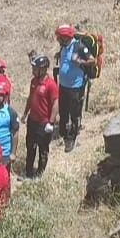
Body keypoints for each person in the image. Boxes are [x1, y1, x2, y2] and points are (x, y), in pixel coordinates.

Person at [55, 25, 95, 153]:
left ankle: (71, 138)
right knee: (63, 111)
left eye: (59, 37)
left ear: (65, 37)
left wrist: (80, 62)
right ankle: (63, 132)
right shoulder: (64, 47)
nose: (57, 39)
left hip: (75, 87)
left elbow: (92, 60)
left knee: (74, 114)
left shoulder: (79, 47)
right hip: (63, 85)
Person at [23, 54, 59, 178]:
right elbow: (30, 98)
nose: (33, 71)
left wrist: (51, 122)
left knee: (43, 150)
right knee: (30, 147)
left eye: (35, 69)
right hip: (32, 121)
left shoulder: (51, 84)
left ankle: (39, 175)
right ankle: (28, 173)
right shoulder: (33, 82)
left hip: (43, 123)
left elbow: (55, 103)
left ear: (43, 69)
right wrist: (25, 113)